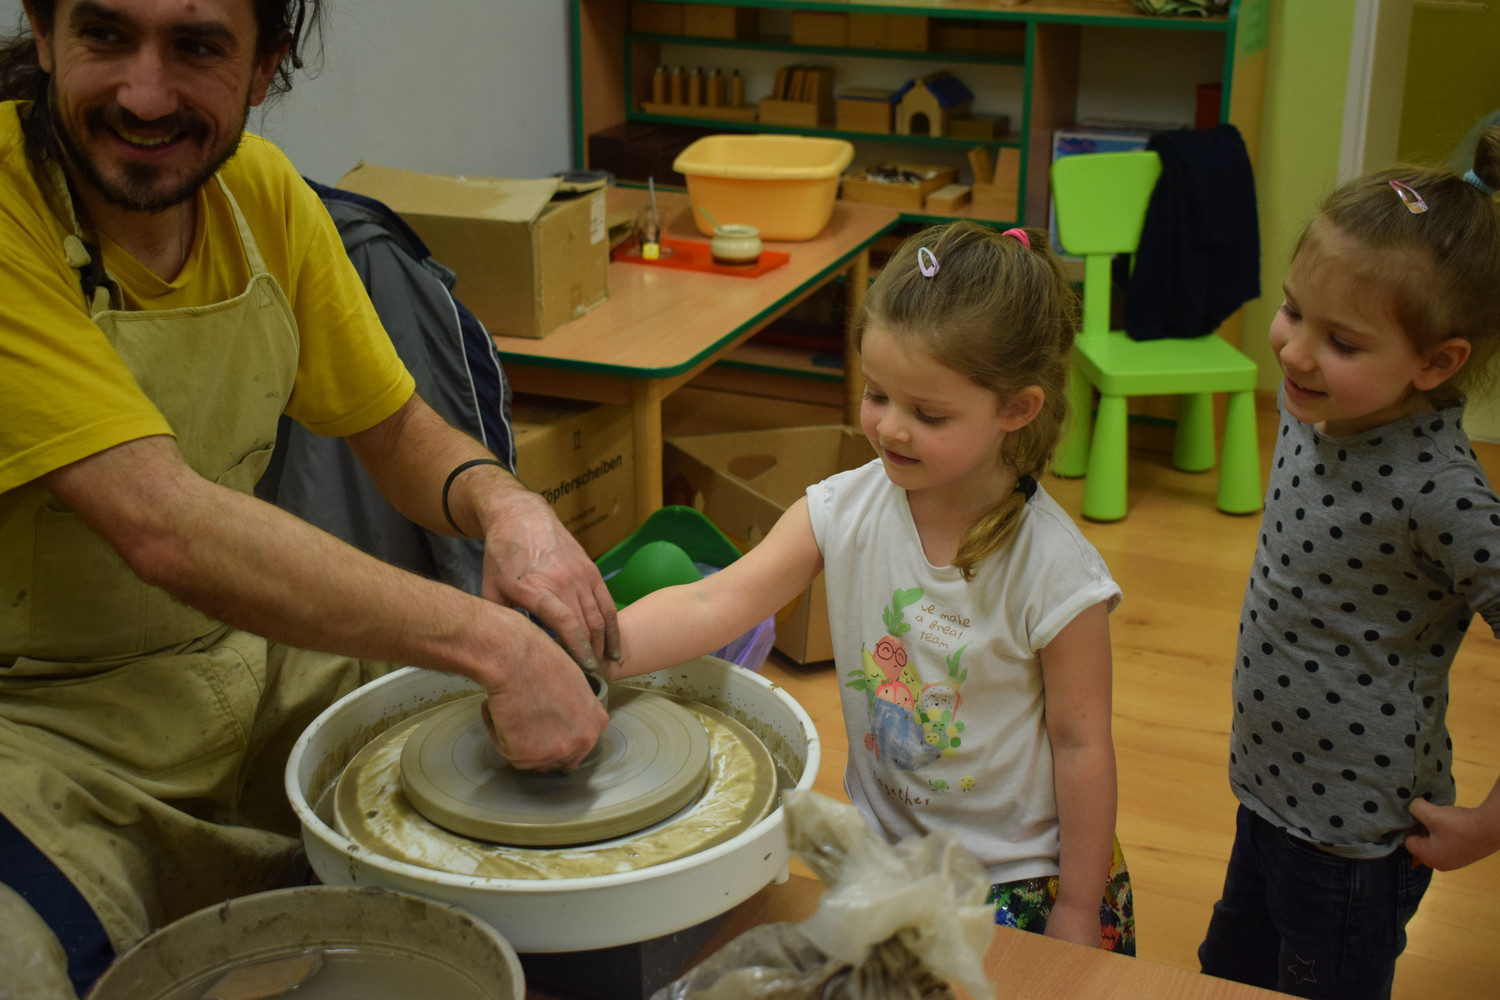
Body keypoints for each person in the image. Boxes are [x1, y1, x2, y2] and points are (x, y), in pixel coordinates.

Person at [0, 0, 619, 995]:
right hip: (37, 731)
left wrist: (510, 509)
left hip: (236, 665)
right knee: (24, 963)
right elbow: (164, 526)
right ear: (43, 31)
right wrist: (494, 642)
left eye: (196, 47)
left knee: (550, 795)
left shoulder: (261, 193)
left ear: (263, 66)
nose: (145, 94)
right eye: (106, 36)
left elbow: (396, 429)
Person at [609, 221, 1136, 953]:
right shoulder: (843, 508)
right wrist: (590, 651)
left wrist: (1076, 908)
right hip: (886, 857)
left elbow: (1082, 746)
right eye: (876, 394)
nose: (889, 428)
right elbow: (714, 600)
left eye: (928, 414)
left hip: (1015, 882)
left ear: (1016, 410)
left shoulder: (1055, 570)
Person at [1197, 130, 1500, 999]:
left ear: (1437, 363)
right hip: (1266, 794)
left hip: (1353, 846)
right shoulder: (1315, 405)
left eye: (1342, 341)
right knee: (1227, 975)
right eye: (1294, 311)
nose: (1293, 352)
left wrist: (1489, 824)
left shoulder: (1444, 496)